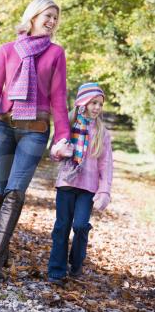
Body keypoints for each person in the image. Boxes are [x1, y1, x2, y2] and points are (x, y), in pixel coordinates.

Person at [0, 0, 71, 280]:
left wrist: (63, 135)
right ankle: (3, 246)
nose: (52, 21)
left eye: (56, 18)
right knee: (1, 190)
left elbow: (59, 97)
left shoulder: (56, 53)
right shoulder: (7, 50)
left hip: (35, 130)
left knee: (16, 190)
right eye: (48, 15)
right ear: (33, 16)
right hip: (4, 128)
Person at [47, 82, 113, 287]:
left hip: (88, 188)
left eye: (100, 104)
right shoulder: (66, 126)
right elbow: (53, 152)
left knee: (80, 225)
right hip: (67, 182)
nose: (97, 108)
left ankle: (76, 262)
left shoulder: (102, 133)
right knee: (62, 226)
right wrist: (59, 151)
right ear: (82, 102)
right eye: (93, 102)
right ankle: (56, 271)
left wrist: (104, 190)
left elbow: (106, 164)